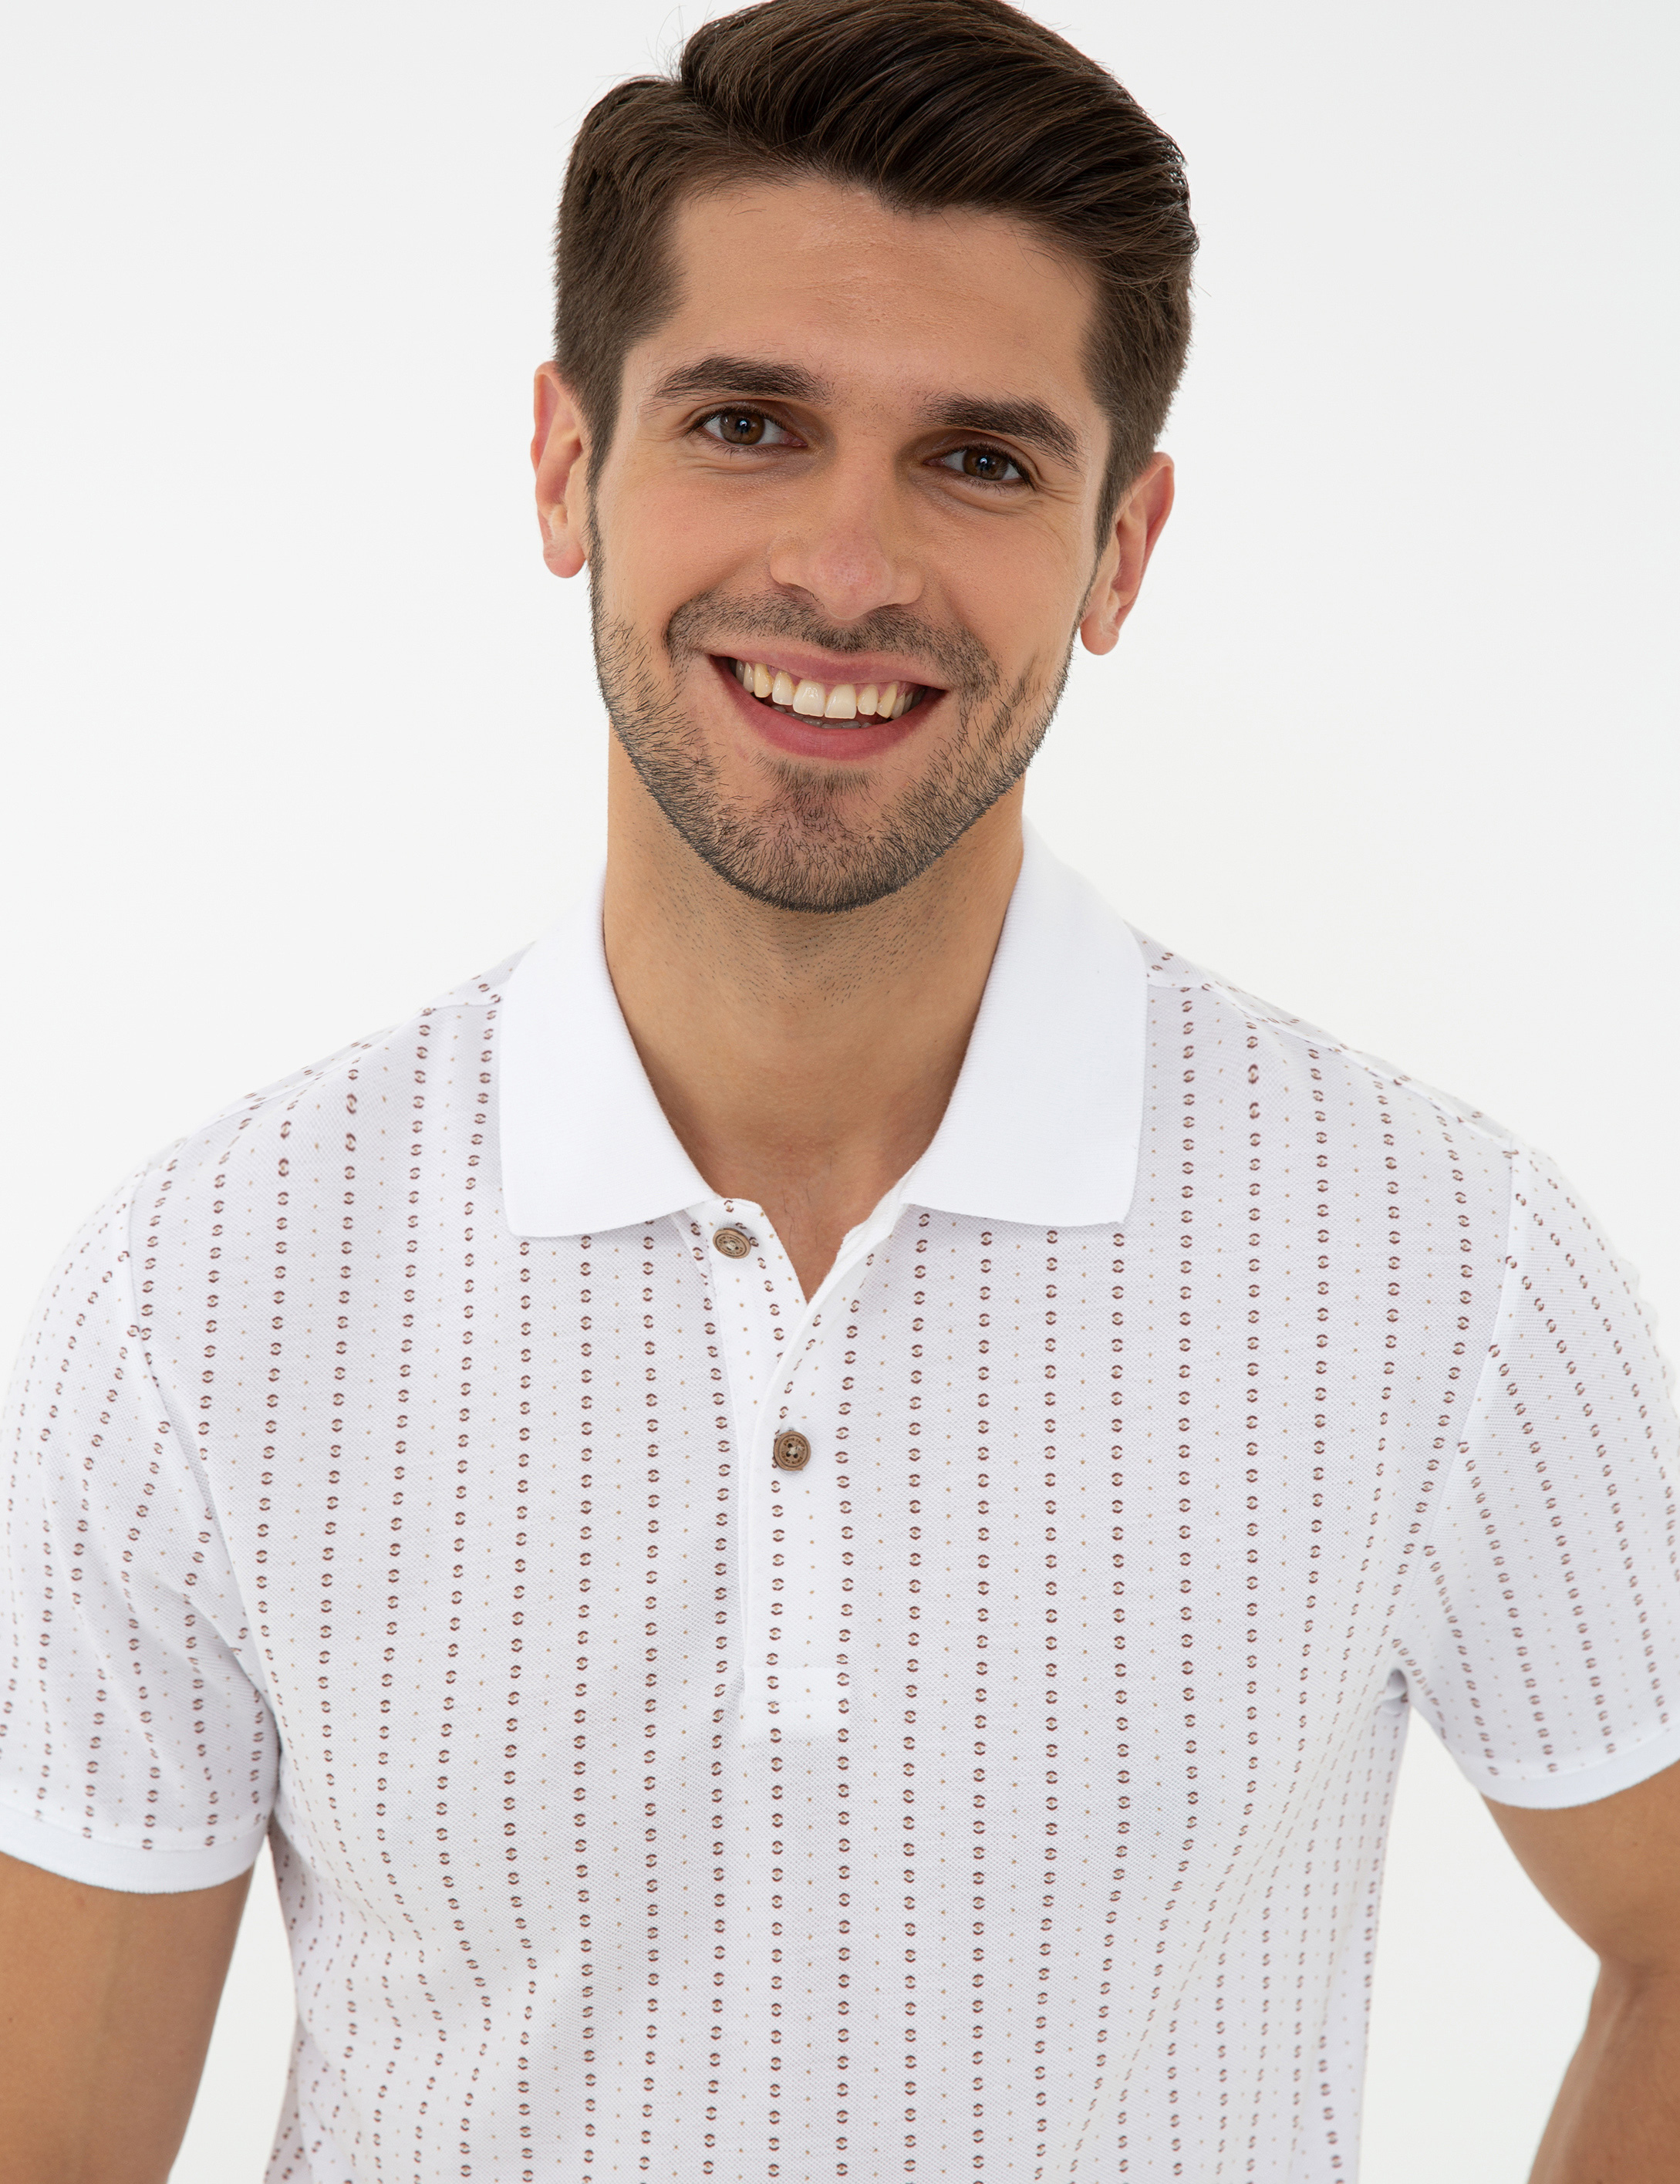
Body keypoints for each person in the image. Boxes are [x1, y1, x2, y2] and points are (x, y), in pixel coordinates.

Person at [2, 0, 1677, 2176]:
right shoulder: (203, 1292)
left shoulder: (1447, 1267)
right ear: (563, 466)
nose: (850, 569)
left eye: (980, 461)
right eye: (747, 423)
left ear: (1121, 548)